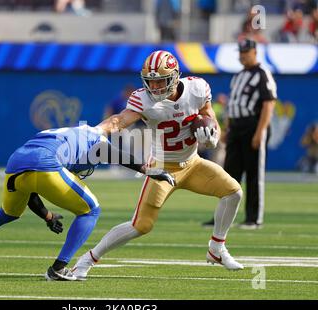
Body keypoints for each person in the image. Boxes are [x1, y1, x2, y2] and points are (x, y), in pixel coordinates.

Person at [71, 50, 244, 281]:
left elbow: (209, 116)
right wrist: (95, 131)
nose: (156, 87)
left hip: (193, 163)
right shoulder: (142, 99)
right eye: (151, 82)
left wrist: (213, 136)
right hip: (162, 168)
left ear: (174, 76)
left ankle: (217, 249)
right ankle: (87, 260)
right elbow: (119, 120)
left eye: (161, 81)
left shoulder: (197, 88)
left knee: (233, 192)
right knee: (141, 225)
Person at [0, 124, 174, 281]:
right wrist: (148, 170)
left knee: (9, 212)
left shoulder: (57, 133)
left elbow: (31, 187)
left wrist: (47, 216)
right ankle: (59, 268)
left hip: (16, 164)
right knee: (91, 210)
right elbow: (117, 154)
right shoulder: (93, 139)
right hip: (45, 164)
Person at [203, 39, 277, 230]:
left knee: (254, 174)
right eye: (241, 52)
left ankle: (253, 218)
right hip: (236, 127)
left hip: (253, 125)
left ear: (254, 52)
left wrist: (260, 132)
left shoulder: (263, 74)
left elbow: (269, 104)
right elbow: (232, 105)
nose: (242, 55)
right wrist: (227, 128)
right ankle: (221, 217)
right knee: (228, 174)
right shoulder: (238, 76)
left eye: (246, 51)